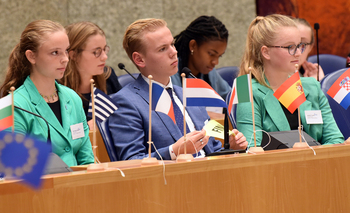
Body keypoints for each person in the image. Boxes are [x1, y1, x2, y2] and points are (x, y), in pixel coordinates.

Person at [109, 18, 248, 161]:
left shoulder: (189, 93)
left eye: (172, 44)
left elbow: (211, 150)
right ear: (139, 59)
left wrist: (231, 149)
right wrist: (174, 151)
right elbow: (131, 162)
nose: (173, 52)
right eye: (162, 49)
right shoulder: (125, 102)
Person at [235, 14, 344, 148]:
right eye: (290, 47)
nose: (298, 53)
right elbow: (252, 150)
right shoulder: (244, 89)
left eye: (300, 45)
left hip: (317, 166)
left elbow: (335, 140)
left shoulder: (311, 86)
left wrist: (310, 153)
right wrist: (295, 153)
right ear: (266, 52)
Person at [0, 20, 94, 167]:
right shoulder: (9, 107)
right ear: (31, 57)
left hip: (77, 187)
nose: (65, 59)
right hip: (38, 189)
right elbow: (12, 169)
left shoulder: (73, 98)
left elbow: (87, 159)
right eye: (55, 53)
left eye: (66, 51)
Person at [61, 21, 122, 128]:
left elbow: (124, 115)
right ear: (74, 55)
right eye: (96, 52)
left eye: (104, 49)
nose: (104, 57)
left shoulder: (108, 76)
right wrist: (86, 128)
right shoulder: (57, 89)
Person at [171, 16, 231, 100]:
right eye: (211, 54)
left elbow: (230, 98)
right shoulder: (171, 71)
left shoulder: (210, 72)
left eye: (219, 56)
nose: (216, 62)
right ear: (193, 46)